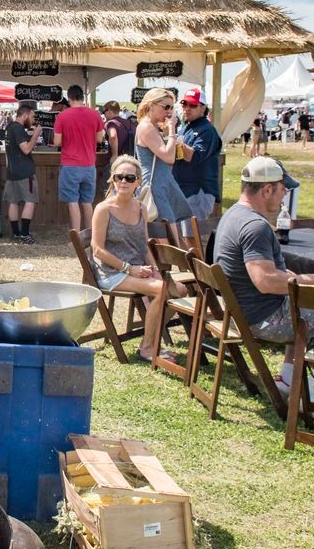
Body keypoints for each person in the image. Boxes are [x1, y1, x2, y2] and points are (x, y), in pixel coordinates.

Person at [213, 156, 314, 414]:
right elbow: (265, 281)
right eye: (283, 188)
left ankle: (288, 379)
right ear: (267, 189)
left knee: (302, 300)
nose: (285, 194)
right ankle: (312, 395)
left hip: (239, 313)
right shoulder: (255, 226)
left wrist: (294, 278)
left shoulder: (234, 215)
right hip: (261, 318)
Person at [91, 156, 183, 362]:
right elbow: (97, 250)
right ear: (112, 180)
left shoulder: (141, 207)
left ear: (138, 182)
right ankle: (148, 348)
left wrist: (155, 269)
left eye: (129, 177)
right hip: (111, 272)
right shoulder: (103, 209)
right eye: (119, 177)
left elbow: (143, 245)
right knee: (160, 289)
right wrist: (129, 268)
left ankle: (150, 334)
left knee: (179, 290)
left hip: (136, 269)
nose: (123, 181)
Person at [134, 88, 193, 223]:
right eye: (166, 107)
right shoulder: (146, 126)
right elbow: (168, 157)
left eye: (172, 107)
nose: (169, 111)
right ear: (151, 105)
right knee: (165, 230)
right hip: (154, 183)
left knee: (171, 229)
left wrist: (167, 133)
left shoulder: (154, 126)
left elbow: (170, 159)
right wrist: (172, 129)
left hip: (162, 180)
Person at [52, 84, 104, 231]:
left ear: (69, 98)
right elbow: (100, 139)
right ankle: (90, 236)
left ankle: (76, 237)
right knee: (87, 202)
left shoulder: (63, 116)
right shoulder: (95, 114)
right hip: (89, 165)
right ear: (82, 97)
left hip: (70, 164)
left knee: (72, 202)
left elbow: (57, 142)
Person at [172, 88, 222, 221]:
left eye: (192, 105)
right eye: (184, 104)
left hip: (198, 192)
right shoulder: (186, 128)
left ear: (202, 108)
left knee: (192, 238)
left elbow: (194, 156)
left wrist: (171, 136)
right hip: (184, 191)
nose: (187, 108)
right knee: (184, 237)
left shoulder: (207, 130)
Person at [2, 102, 40, 244]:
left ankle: (16, 234)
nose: (33, 119)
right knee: (30, 201)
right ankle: (24, 234)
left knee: (13, 202)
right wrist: (35, 135)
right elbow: (26, 149)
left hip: (12, 171)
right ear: (25, 115)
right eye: (31, 116)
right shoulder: (18, 128)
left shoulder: (9, 127)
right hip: (25, 172)